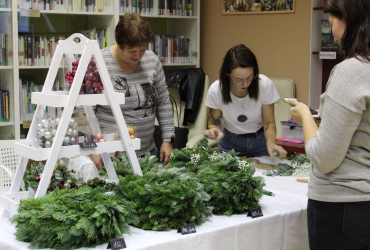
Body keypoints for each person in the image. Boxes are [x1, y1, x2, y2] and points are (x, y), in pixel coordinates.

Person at [289, 0, 370, 248]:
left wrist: (304, 116)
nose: (332, 33)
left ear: (347, 20)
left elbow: (324, 158)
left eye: (331, 22)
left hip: (342, 204)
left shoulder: (351, 70)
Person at [87, 13, 175, 167]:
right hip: (111, 155)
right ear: (119, 43)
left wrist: (167, 139)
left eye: (142, 50)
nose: (138, 56)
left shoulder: (151, 60)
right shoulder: (98, 63)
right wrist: (92, 148)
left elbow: (163, 103)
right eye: (132, 51)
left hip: (147, 152)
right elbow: (85, 111)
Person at [204, 44, 287, 159]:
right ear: (227, 74)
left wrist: (271, 142)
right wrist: (214, 131)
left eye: (250, 77)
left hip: (260, 142)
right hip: (229, 144)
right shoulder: (217, 89)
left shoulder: (264, 85)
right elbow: (214, 123)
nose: (246, 84)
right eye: (239, 80)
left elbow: (269, 123)